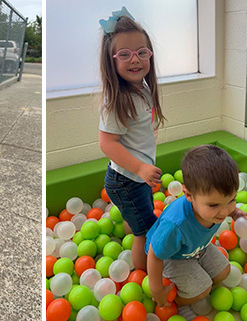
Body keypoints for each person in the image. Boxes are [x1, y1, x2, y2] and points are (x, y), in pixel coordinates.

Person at [144, 145, 247, 319]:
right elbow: (154, 254)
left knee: (224, 272)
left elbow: (224, 206)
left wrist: (236, 212)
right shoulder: (175, 225)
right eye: (214, 205)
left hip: (195, 247)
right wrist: (157, 289)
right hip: (170, 256)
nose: (224, 212)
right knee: (202, 289)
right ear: (188, 195)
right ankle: (178, 301)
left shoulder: (218, 208)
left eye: (231, 200)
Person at [98, 7, 166, 272]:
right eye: (124, 54)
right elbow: (107, 143)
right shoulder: (117, 101)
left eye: (142, 52)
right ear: (112, 62)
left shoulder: (143, 89)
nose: (135, 60)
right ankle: (144, 273)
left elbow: (138, 127)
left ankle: (131, 224)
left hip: (136, 178)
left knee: (141, 212)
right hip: (126, 180)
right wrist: (140, 167)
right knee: (145, 230)